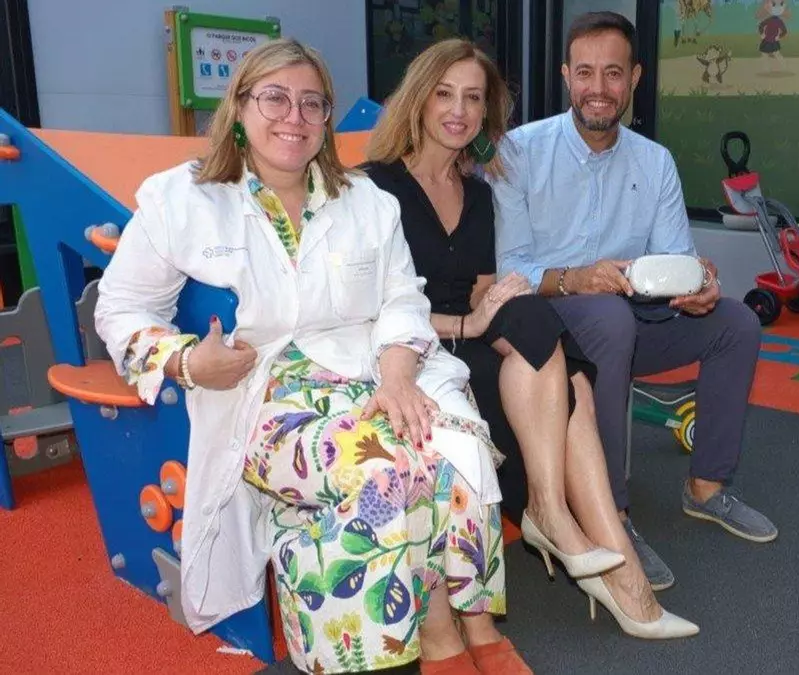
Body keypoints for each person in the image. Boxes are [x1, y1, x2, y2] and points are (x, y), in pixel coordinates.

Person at [93, 38, 528, 675]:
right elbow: (120, 307)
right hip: (265, 390)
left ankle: (455, 635)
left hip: (371, 369)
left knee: (452, 449)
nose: (293, 117)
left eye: (311, 103)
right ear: (239, 108)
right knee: (381, 473)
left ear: (326, 118)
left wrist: (399, 374)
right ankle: (373, 653)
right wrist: (184, 361)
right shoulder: (182, 199)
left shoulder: (366, 202)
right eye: (274, 98)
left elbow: (403, 296)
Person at [360, 38, 698, 640]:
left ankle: (566, 524)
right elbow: (370, 311)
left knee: (549, 343)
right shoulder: (373, 188)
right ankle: (616, 573)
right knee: (569, 384)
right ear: (418, 99)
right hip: (409, 345)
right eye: (444, 94)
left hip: (469, 336)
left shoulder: (479, 191)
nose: (459, 111)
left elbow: (481, 292)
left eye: (473, 98)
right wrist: (469, 325)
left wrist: (492, 312)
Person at [489, 11, 778, 591]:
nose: (599, 88)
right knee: (608, 315)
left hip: (633, 315)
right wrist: (580, 278)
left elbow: (673, 258)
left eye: (613, 73)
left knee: (738, 323)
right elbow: (509, 268)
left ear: (634, 78)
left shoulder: (655, 160)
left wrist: (697, 284)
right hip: (549, 315)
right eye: (586, 72)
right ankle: (612, 516)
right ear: (566, 76)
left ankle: (706, 488)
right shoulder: (519, 152)